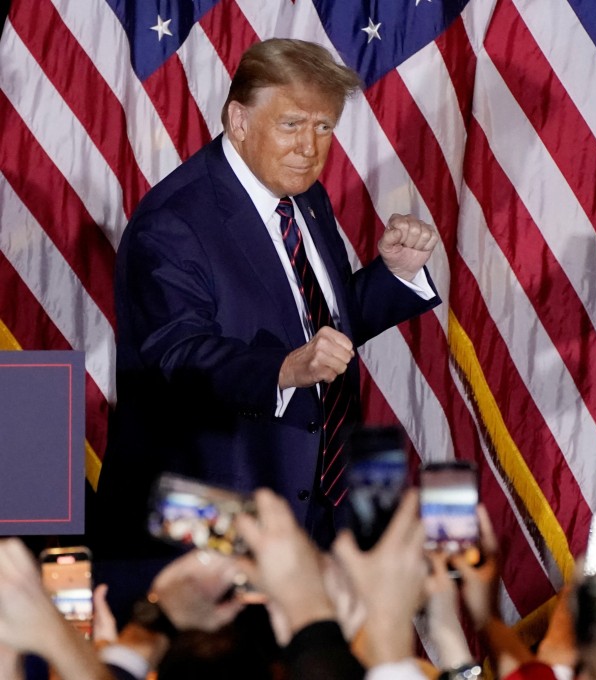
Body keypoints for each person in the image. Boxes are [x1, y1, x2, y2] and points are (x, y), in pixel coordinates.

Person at [94, 38, 441, 560]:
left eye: (324, 127)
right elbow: (177, 359)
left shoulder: (304, 193)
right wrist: (283, 369)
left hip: (317, 505)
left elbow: (316, 328)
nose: (310, 147)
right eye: (291, 124)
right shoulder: (173, 223)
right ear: (238, 120)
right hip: (218, 522)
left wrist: (394, 274)